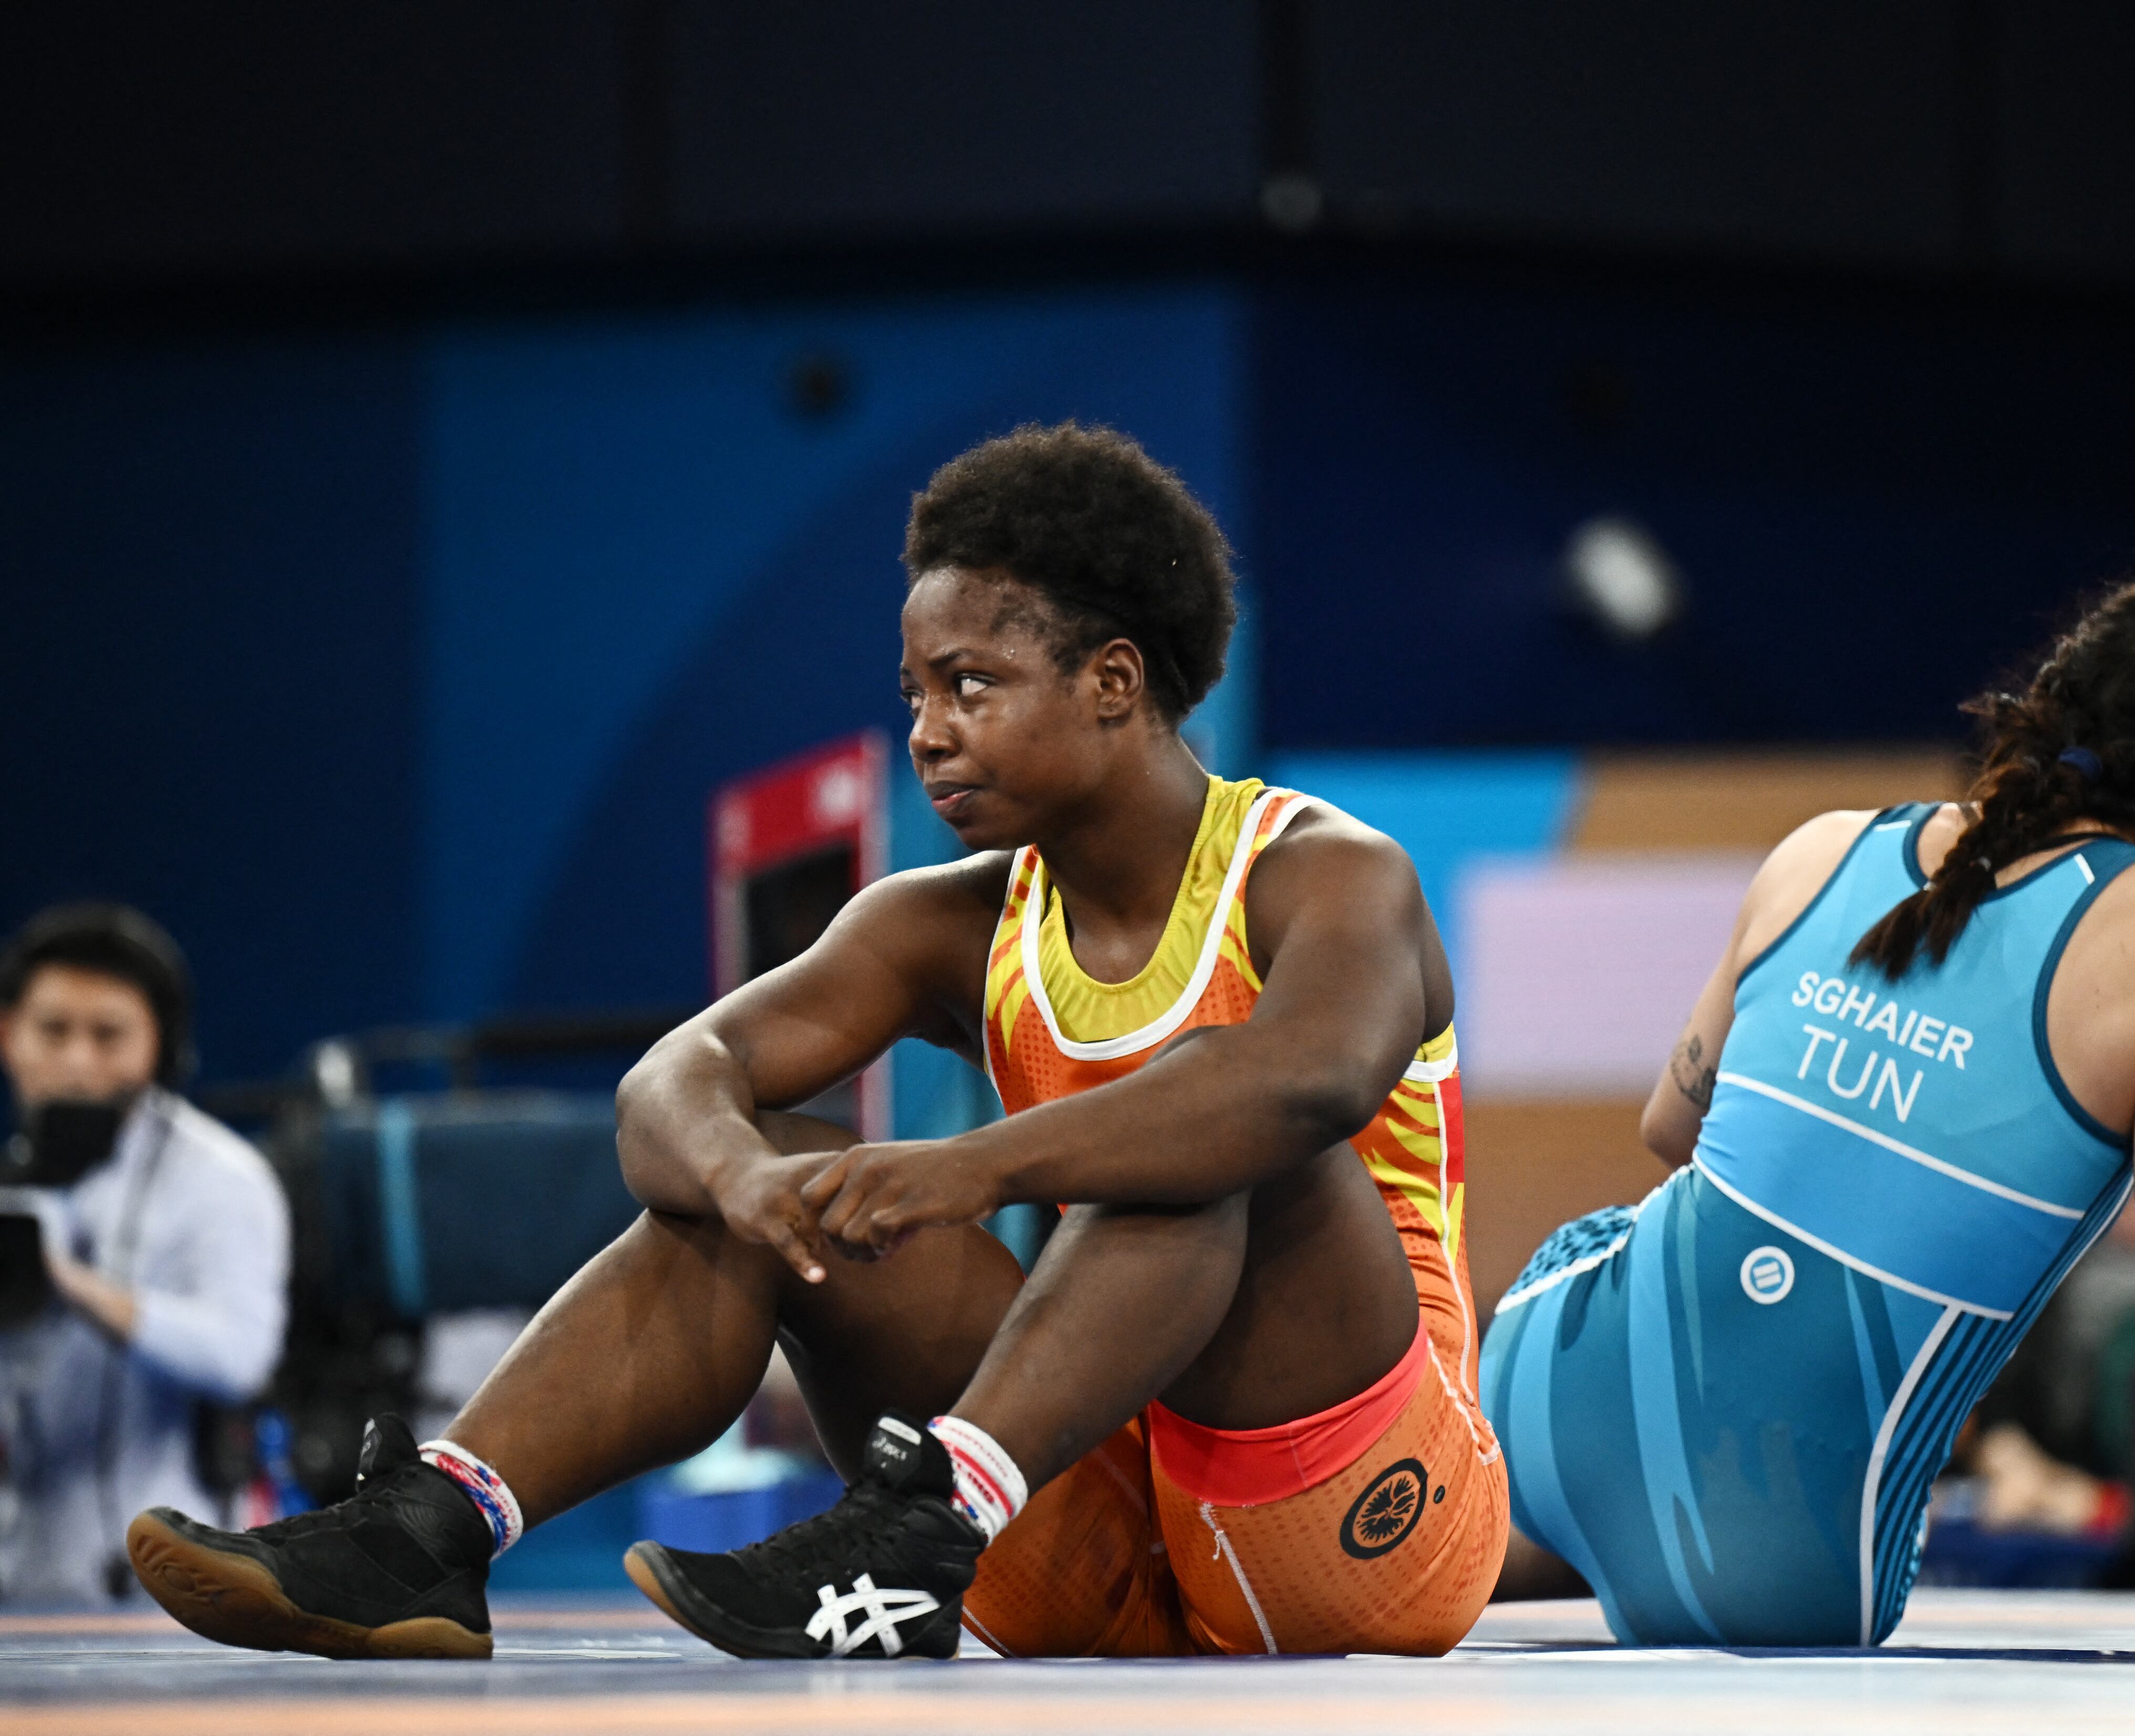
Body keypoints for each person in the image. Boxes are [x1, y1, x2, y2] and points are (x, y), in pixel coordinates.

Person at [126, 421, 1507, 1661]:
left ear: (1113, 681)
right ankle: (432, 1533)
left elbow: (1300, 1083)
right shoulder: (941, 924)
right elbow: (672, 1081)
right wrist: (744, 1186)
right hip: (1063, 1530)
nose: (928, 735)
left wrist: (973, 1170)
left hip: (1356, 1521)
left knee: (1207, 1133)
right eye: (914, 693)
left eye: (970, 685)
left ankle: (927, 1511)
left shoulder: (1325, 872)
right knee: (770, 1166)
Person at [1480, 541, 2135, 1655]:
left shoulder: (1825, 846)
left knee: (1645, 1384)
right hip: (1782, 1555)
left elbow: (1670, 1126)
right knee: (1758, 1477)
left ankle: (1472, 1542)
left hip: (1539, 1382)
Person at [0, 904, 290, 1605]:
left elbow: (241, 1356)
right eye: (54, 1030)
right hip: (22, 1583)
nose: (76, 1061)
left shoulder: (224, 1177)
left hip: (188, 1583)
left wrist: (77, 1288)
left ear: (161, 1047)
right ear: (9, 1034)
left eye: (108, 1035)